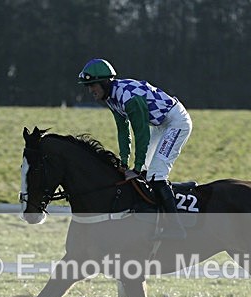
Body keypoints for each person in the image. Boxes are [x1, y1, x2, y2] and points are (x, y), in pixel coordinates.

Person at [78, 58, 191, 239]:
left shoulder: (128, 98)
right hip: (161, 124)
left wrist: (136, 168)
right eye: (88, 86)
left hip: (176, 122)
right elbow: (123, 131)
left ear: (106, 82)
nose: (90, 90)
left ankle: (176, 227)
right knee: (147, 173)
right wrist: (124, 162)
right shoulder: (111, 97)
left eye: (93, 85)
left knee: (155, 173)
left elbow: (141, 134)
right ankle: (154, 217)